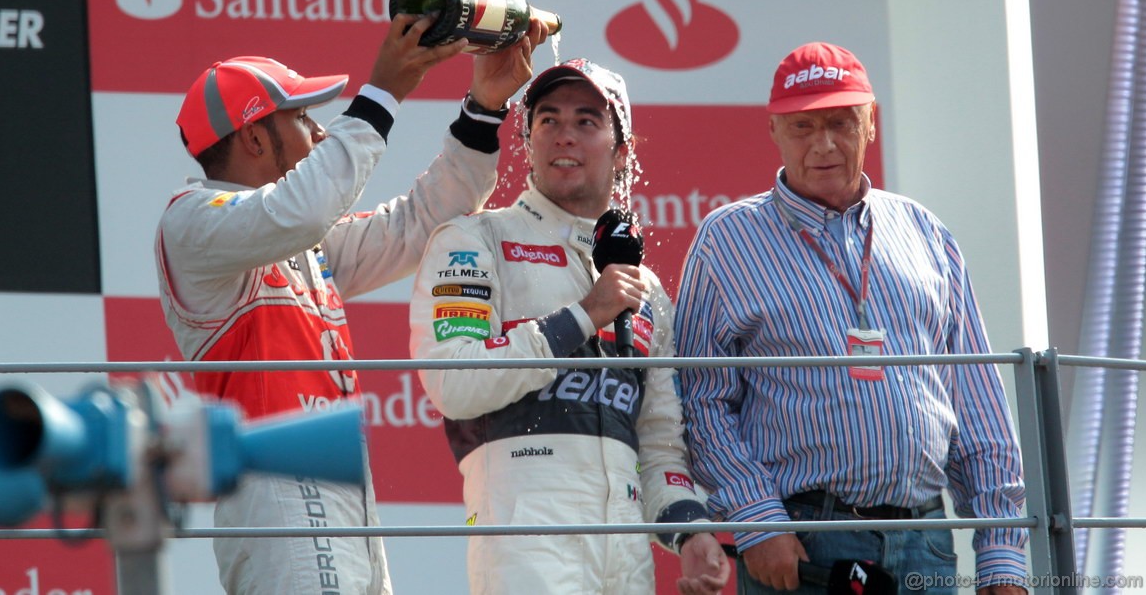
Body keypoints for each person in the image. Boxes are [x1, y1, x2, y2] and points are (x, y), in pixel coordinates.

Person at [154, 11, 548, 595]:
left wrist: (482, 109)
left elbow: (417, 224)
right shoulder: (190, 220)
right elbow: (303, 209)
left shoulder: (299, 238)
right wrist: (382, 92)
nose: (319, 133)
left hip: (345, 497)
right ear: (256, 135)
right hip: (277, 497)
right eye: (304, 117)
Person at [674, 42, 1029, 594]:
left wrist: (1003, 554)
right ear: (773, 129)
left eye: (841, 122)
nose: (824, 145)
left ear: (870, 123)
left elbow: (975, 400)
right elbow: (701, 397)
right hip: (803, 539)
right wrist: (757, 519)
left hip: (926, 540)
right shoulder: (728, 240)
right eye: (803, 127)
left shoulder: (925, 232)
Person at [409, 58, 731, 595]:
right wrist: (582, 317)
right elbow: (453, 383)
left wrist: (689, 530)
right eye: (548, 120)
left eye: (586, 121)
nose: (565, 136)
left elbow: (658, 445)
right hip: (524, 544)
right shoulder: (474, 240)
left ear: (620, 150)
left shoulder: (644, 287)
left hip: (626, 551)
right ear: (528, 142)